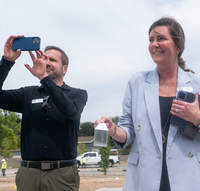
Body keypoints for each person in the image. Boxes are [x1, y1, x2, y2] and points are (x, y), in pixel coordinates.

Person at [95, 17, 200, 191]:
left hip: (187, 175)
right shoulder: (136, 82)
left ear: (178, 47)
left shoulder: (197, 84)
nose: (154, 44)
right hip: (145, 175)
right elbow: (127, 130)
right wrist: (114, 130)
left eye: (161, 38)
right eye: (151, 40)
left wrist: (197, 118)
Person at [0, 35, 88, 191]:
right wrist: (7, 62)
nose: (47, 62)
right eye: (44, 58)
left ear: (65, 69)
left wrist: (44, 78)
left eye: (53, 60)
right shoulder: (27, 94)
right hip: (29, 174)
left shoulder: (77, 94)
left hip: (62, 174)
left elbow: (71, 112)